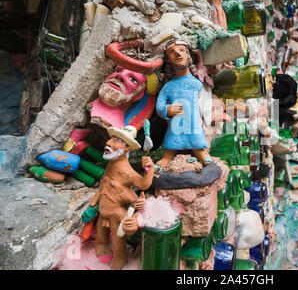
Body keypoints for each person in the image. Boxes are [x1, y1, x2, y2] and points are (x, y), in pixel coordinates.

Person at [88, 125, 154, 270]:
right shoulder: (111, 164)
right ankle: (103, 248)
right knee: (101, 238)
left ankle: (119, 263)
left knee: (118, 245)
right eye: (111, 138)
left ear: (126, 147)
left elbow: (143, 184)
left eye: (116, 140)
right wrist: (92, 204)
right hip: (103, 211)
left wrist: (150, 169)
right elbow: (103, 185)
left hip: (117, 214)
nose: (109, 143)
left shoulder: (127, 172)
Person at [155, 39, 212, 168]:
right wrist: (168, 110)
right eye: (172, 52)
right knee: (172, 139)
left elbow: (206, 105)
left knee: (196, 138)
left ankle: (201, 152)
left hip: (194, 125)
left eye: (181, 50)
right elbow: (159, 106)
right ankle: (168, 156)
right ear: (168, 59)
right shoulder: (169, 86)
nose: (178, 54)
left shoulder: (197, 84)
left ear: (188, 55)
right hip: (176, 125)